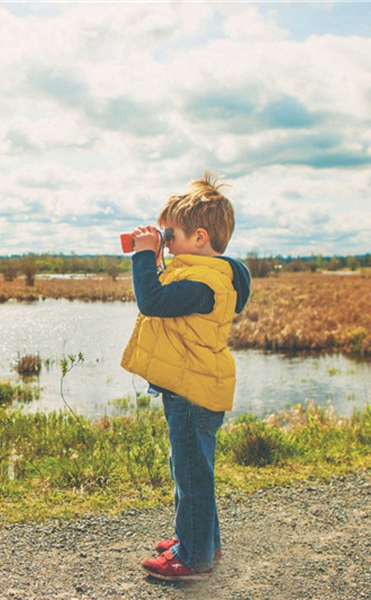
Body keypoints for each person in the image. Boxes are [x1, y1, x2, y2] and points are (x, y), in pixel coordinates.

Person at [120, 172, 252, 582]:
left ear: (199, 238)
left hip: (193, 392)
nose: (163, 239)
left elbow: (154, 301)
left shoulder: (205, 281)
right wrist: (158, 258)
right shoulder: (195, 272)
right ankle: (199, 542)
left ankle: (192, 560)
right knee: (193, 472)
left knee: (192, 477)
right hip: (191, 387)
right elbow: (166, 292)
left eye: (168, 234)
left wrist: (142, 256)